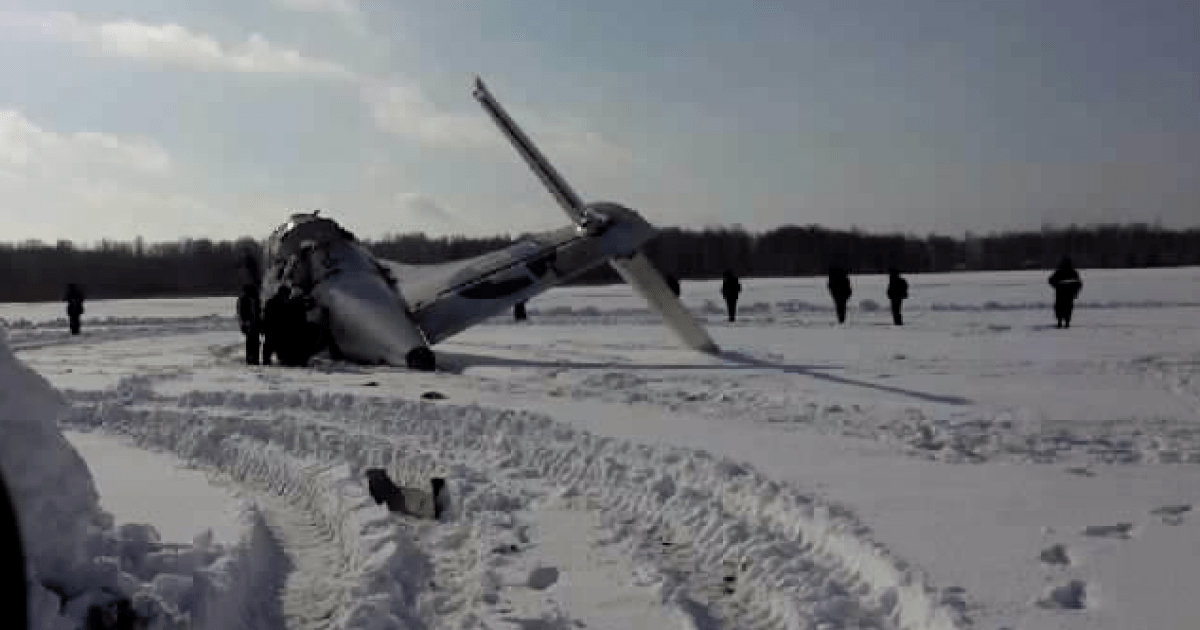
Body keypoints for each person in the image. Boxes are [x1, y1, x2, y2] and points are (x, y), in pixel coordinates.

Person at [1048, 256, 1083, 328]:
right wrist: (1075, 292)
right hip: (1067, 294)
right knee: (1067, 308)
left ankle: (1061, 322)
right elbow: (1079, 284)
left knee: (1060, 308)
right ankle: (1065, 323)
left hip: (1062, 294)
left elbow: (1050, 280)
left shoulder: (1060, 272)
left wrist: (1056, 286)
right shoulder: (1073, 272)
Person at [260, 286, 291, 366]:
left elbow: (265, 316)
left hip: (272, 328)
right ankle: (278, 359)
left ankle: (268, 360)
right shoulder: (282, 303)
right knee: (274, 345)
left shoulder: (271, 301)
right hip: (275, 328)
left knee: (270, 345)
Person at [236, 284, 262, 365]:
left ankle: (252, 359)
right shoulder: (250, 299)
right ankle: (253, 359)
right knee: (253, 342)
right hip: (251, 324)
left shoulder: (245, 299)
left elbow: (240, 313)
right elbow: (242, 313)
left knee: (252, 342)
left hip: (252, 323)